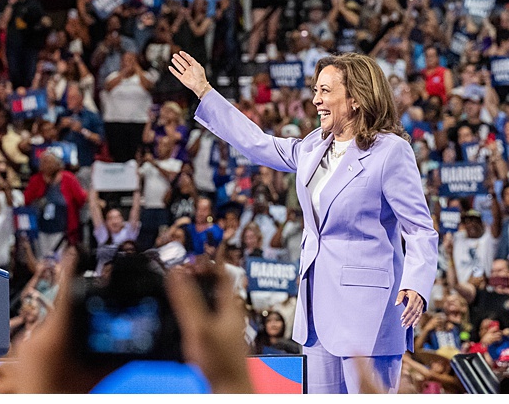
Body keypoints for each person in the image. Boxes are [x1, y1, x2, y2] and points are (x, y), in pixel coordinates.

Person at [170, 50, 438, 394]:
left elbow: (419, 229)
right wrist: (205, 91)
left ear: (356, 98)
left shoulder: (391, 151)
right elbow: (257, 144)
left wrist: (416, 283)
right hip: (316, 310)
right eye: (315, 91)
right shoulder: (314, 145)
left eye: (325, 91)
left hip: (369, 313)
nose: (316, 100)